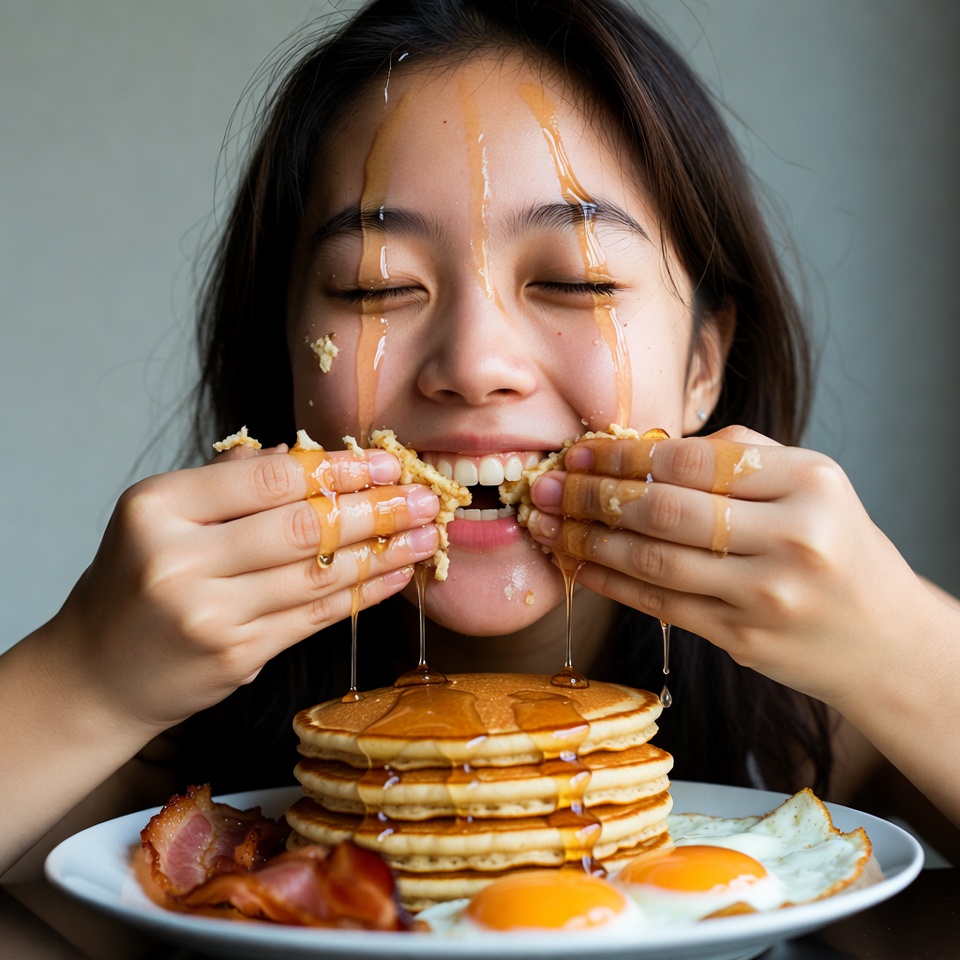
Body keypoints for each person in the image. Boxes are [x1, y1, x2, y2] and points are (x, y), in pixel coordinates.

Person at [2, 0, 959, 881]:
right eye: (376, 287)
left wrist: (907, 650)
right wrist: (83, 678)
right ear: (287, 360)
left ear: (703, 366)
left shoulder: (821, 733)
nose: (475, 362)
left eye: (578, 282)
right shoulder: (155, 770)